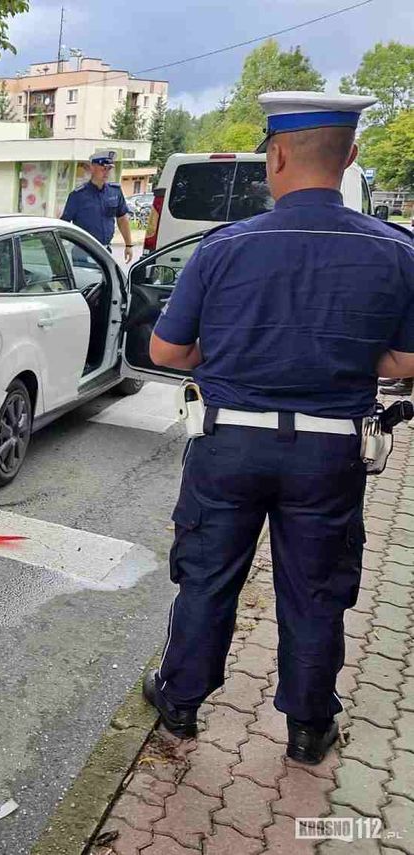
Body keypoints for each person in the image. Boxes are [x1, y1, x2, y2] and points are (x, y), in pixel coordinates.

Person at [141, 91, 414, 765]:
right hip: (330, 451)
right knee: (315, 589)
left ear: (279, 155)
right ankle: (308, 730)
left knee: (207, 579)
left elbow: (166, 352)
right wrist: (349, 358)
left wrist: (228, 354)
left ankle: (178, 706)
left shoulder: (223, 247)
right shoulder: (396, 252)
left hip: (229, 443)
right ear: (349, 156)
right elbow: (406, 359)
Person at [60, 151, 134, 262]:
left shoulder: (115, 192)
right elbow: (64, 224)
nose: (107, 173)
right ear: (92, 168)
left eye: (109, 169)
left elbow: (122, 219)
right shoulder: (78, 196)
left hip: (105, 250)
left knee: (105, 279)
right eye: (103, 168)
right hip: (83, 251)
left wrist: (128, 245)